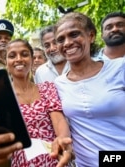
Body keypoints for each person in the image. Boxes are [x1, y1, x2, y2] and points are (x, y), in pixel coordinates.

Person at [0, 39, 74, 167]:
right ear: (6, 62)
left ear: (32, 60)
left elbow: (59, 120)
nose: (19, 59)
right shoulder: (3, 97)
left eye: (24, 54)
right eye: (12, 56)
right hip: (22, 162)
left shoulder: (47, 88)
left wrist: (62, 140)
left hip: (54, 158)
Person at [53, 12, 125, 166]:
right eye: (60, 39)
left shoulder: (119, 68)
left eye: (74, 34)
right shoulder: (59, 84)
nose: (67, 43)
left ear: (91, 36)